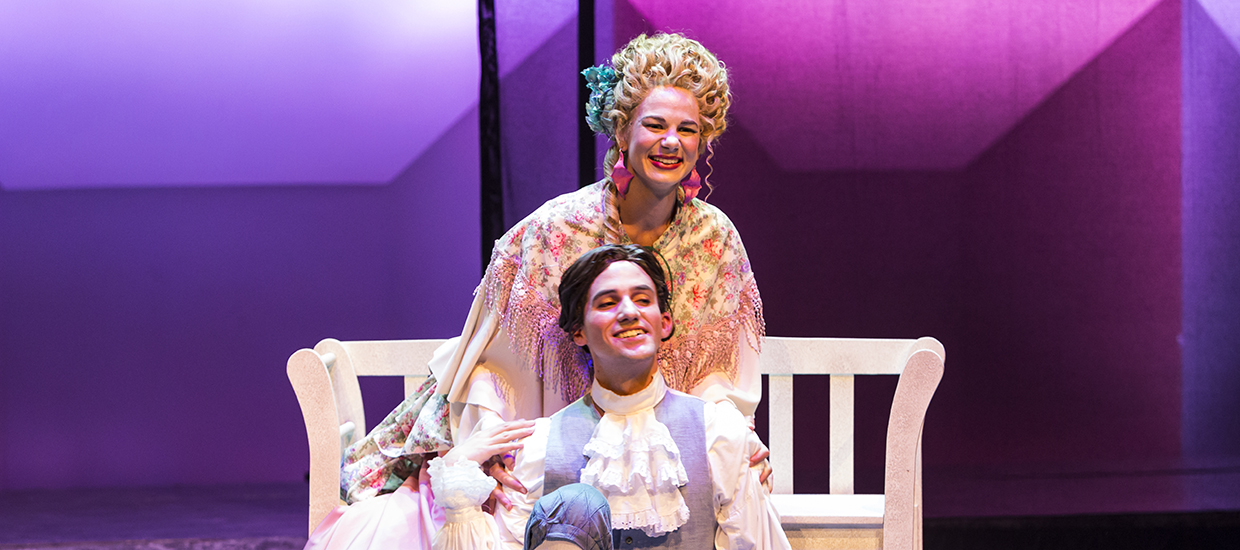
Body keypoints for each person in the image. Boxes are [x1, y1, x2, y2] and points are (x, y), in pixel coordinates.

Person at [307, 33, 766, 548]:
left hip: (665, 444)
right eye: (654, 125)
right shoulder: (558, 227)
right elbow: (499, 361)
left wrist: (728, 439)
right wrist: (498, 444)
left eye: (688, 129)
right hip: (555, 441)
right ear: (622, 131)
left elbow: (720, 369)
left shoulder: (715, 236)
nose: (671, 142)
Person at [429, 244, 789, 550]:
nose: (629, 312)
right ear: (578, 332)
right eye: (607, 303)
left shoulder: (717, 431)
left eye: (642, 299)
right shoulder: (542, 442)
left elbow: (752, 541)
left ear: (664, 323)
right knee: (577, 504)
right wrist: (458, 476)